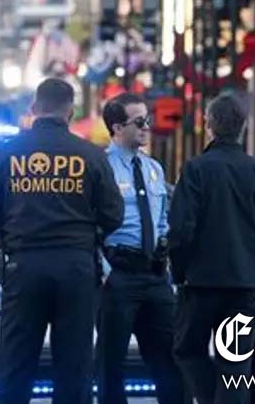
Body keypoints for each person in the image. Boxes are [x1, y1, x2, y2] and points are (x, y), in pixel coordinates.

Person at [0, 78, 125, 404]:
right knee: (74, 366)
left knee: (16, 364)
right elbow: (114, 213)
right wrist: (89, 237)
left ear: (34, 108)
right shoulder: (90, 154)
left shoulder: (6, 154)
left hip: (23, 266)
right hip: (76, 267)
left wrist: (10, 239)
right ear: (70, 110)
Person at [168, 93, 255, 404]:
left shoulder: (195, 169)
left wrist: (179, 272)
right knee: (235, 361)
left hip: (200, 281)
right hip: (245, 283)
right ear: (243, 127)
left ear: (209, 125)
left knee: (187, 349)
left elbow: (181, 229)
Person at [97, 93, 184, 404]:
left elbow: (162, 219)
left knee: (170, 358)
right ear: (118, 127)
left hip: (155, 275)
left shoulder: (153, 168)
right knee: (111, 363)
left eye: (148, 119)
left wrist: (165, 254)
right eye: (139, 122)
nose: (147, 126)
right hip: (119, 274)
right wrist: (105, 271)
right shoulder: (103, 167)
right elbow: (92, 223)